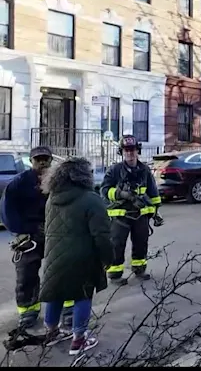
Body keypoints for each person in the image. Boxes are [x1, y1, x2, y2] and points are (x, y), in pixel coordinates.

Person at [39, 156, 114, 355]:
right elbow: (102, 235)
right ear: (83, 176)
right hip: (83, 257)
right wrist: (108, 259)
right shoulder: (91, 199)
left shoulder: (52, 198)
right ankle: (79, 339)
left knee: (56, 292)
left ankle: (51, 332)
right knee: (82, 294)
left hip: (55, 256)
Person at [0, 146, 74, 330]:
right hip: (30, 236)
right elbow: (7, 209)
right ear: (31, 161)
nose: (42, 162)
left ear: (50, 160)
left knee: (62, 272)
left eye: (45, 159)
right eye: (37, 159)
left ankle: (68, 311)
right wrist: (21, 231)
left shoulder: (60, 182)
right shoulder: (19, 183)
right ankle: (28, 312)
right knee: (26, 275)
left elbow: (71, 205)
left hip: (56, 234)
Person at [100, 135, 162, 284]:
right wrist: (120, 194)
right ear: (121, 152)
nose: (129, 153)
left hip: (140, 215)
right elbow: (104, 190)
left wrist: (156, 212)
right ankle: (115, 275)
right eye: (126, 150)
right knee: (117, 245)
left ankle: (139, 270)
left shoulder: (145, 170)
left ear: (137, 151)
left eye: (132, 150)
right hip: (120, 215)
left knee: (141, 243)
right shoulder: (114, 170)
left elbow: (153, 194)